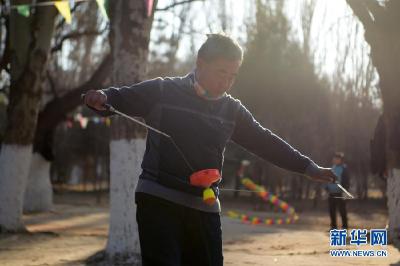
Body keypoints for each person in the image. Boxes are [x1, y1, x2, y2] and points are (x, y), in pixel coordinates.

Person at [84, 33, 337, 266]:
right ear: (200, 63)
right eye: (221, 72)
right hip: (159, 201)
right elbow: (120, 98)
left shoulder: (232, 110)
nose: (226, 81)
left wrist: (307, 167)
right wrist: (102, 98)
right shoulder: (163, 90)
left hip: (204, 205)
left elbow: (266, 142)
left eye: (232, 76)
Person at [325, 152, 350, 230]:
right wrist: (326, 188)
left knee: (342, 210)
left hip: (340, 193)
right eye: (334, 158)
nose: (334, 160)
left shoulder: (344, 168)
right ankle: (333, 227)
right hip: (331, 193)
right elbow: (328, 179)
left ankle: (345, 227)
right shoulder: (332, 168)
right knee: (332, 210)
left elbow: (346, 181)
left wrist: (344, 191)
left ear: (340, 160)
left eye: (336, 158)